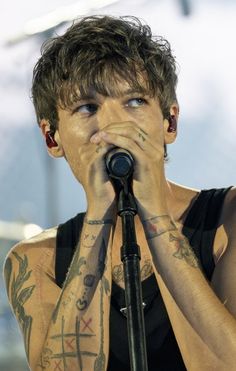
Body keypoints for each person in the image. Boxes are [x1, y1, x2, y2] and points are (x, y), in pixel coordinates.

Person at [3, 15, 236, 371]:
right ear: (52, 137)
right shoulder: (36, 260)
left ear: (170, 122)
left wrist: (156, 214)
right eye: (87, 107)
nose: (113, 128)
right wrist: (99, 217)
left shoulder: (228, 218)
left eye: (135, 102)